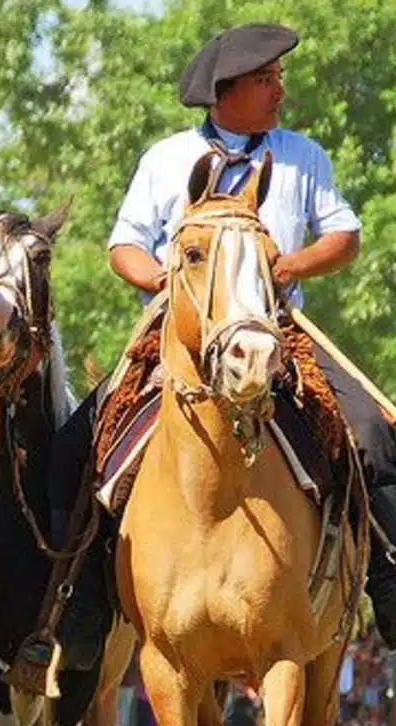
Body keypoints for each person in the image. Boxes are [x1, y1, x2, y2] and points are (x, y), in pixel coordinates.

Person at [52, 22, 396, 671]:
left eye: (278, 78)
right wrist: (163, 279)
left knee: (372, 435)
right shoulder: (165, 158)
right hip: (178, 334)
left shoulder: (302, 155)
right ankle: (84, 605)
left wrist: (289, 268)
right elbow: (122, 244)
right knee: (78, 444)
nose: (279, 91)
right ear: (225, 91)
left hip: (279, 332)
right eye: (267, 80)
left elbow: (344, 237)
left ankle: (387, 580)